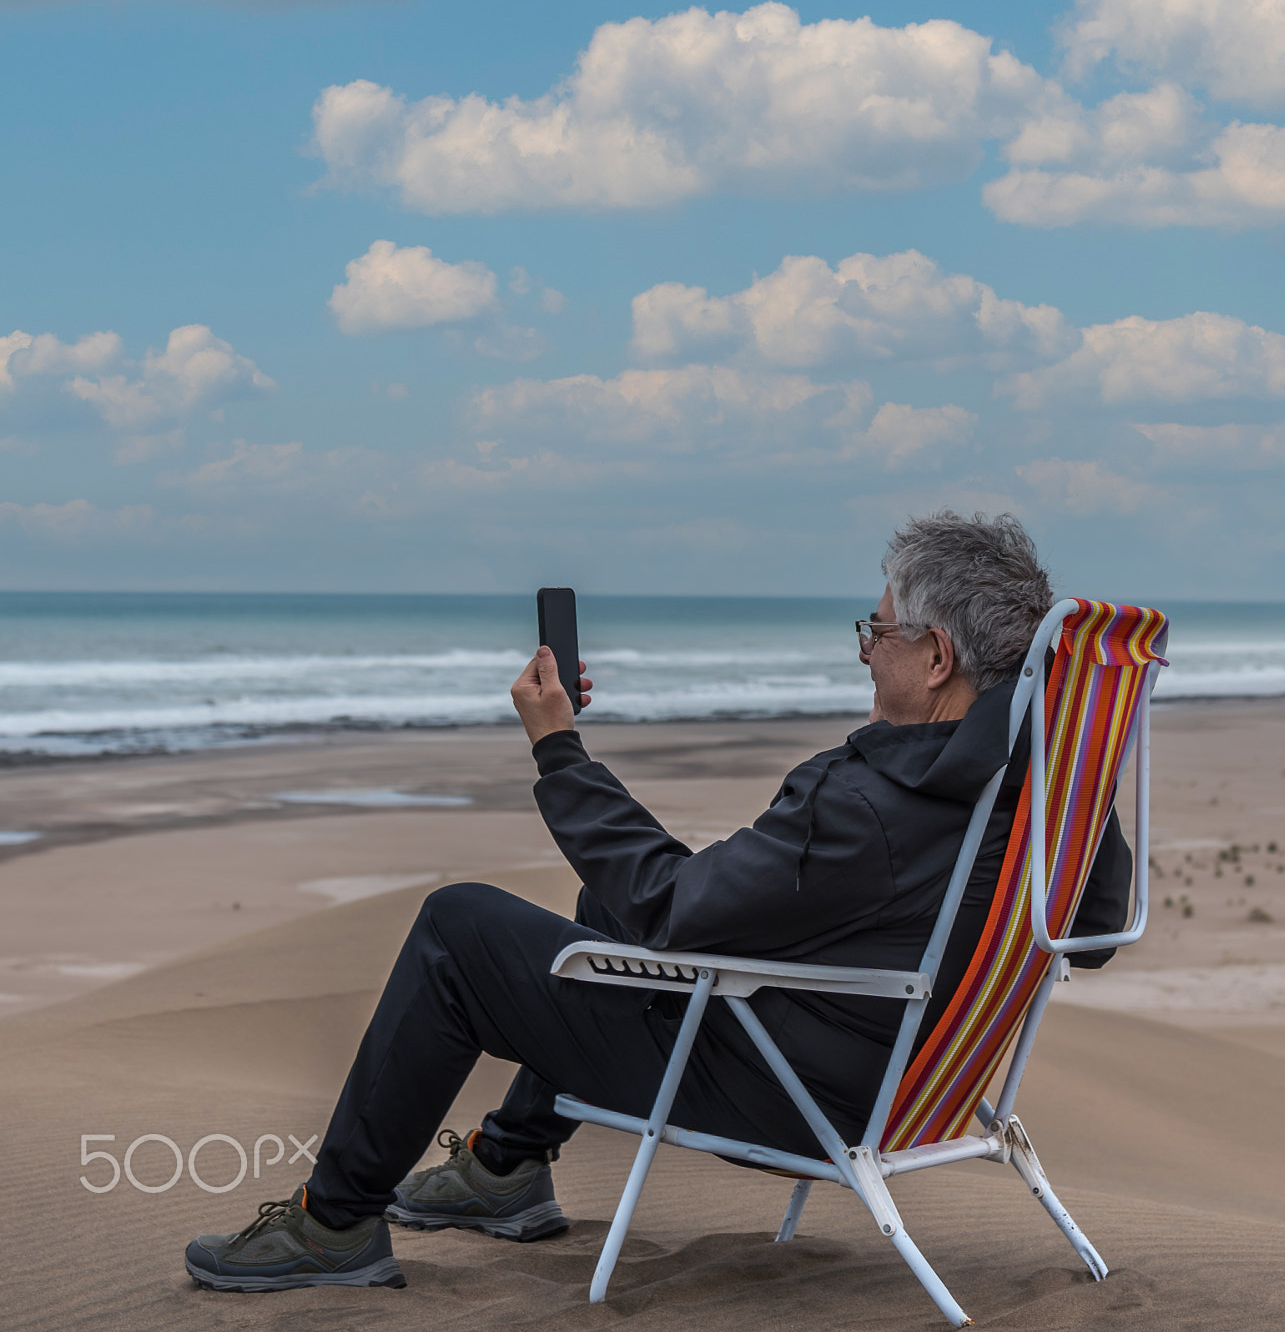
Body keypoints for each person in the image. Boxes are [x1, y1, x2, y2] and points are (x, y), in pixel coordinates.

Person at [184, 510, 1131, 1292]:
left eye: (875, 633)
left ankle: (334, 1223)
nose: (863, 655)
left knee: (458, 926)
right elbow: (1088, 939)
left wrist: (558, 750)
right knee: (607, 912)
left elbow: (673, 906)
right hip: (913, 1081)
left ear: (934, 657)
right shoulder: (1049, 783)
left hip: (789, 1093)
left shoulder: (873, 802)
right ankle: (508, 1166)